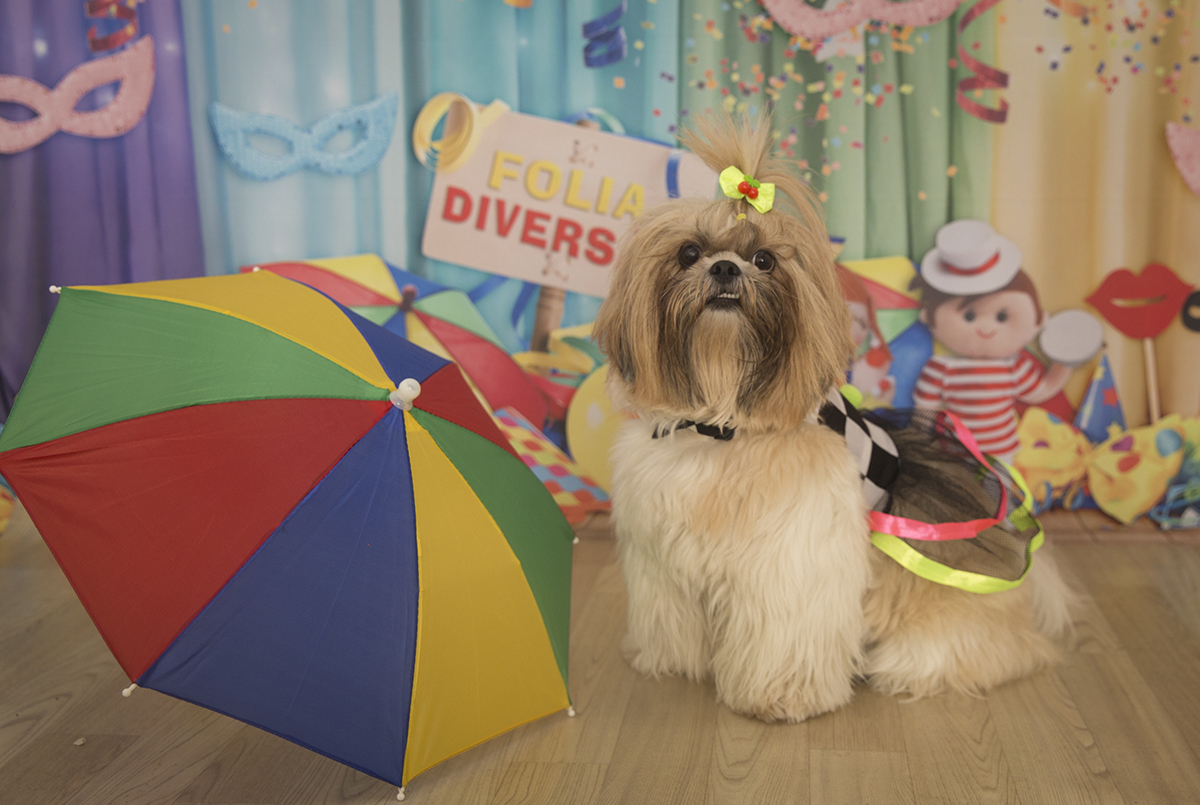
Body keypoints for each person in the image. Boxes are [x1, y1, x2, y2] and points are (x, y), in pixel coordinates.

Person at [912, 220, 1070, 465]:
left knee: (1000, 492)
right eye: (970, 316)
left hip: (1002, 450)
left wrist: (1065, 362)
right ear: (928, 316)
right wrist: (922, 442)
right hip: (957, 450)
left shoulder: (1013, 367)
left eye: (1001, 317)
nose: (986, 328)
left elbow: (1041, 391)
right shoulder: (941, 368)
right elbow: (925, 407)